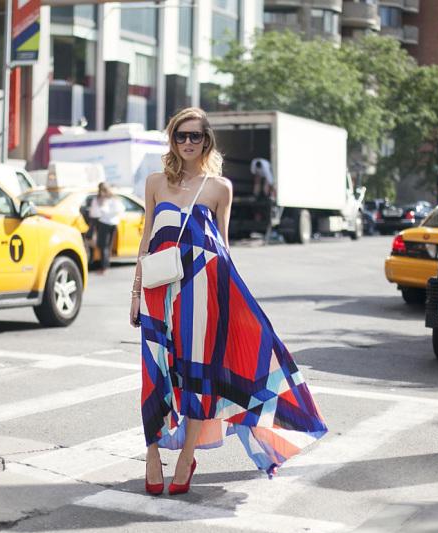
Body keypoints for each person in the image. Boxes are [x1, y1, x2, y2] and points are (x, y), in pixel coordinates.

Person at [129, 107, 327, 496]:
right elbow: (145, 241)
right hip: (159, 292)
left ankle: (187, 456)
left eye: (195, 136)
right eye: (181, 136)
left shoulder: (221, 188)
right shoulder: (156, 182)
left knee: (198, 377)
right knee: (155, 372)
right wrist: (136, 293)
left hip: (205, 296)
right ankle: (152, 454)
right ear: (172, 140)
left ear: (207, 141)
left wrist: (235, 306)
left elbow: (223, 248)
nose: (188, 143)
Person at [92, 182, 124, 274]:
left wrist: (104, 210)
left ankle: (104, 267)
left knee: (103, 246)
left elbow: (96, 212)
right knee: (106, 246)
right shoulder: (113, 198)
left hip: (105, 223)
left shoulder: (104, 199)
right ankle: (105, 265)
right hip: (112, 223)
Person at [250, 157, 275, 243]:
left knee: (266, 184)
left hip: (267, 171)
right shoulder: (254, 164)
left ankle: (265, 194)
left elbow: (270, 182)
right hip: (259, 170)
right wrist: (255, 191)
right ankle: (256, 195)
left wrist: (272, 192)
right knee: (257, 182)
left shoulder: (266, 168)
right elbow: (256, 178)